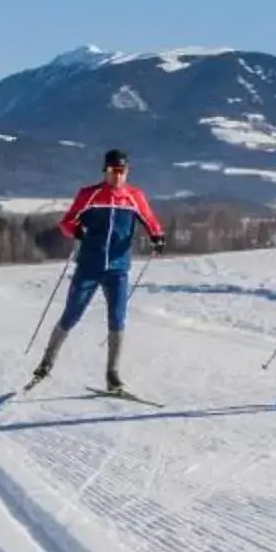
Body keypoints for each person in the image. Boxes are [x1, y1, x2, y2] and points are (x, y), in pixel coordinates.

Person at [31, 148, 165, 392]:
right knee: (72, 314)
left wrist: (157, 237)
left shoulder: (135, 196)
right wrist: (76, 230)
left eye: (122, 171)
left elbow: (150, 220)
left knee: (117, 318)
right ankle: (47, 362)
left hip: (118, 268)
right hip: (89, 266)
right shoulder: (89, 195)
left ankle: (112, 375)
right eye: (113, 170)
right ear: (105, 170)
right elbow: (67, 222)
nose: (117, 176)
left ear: (127, 171)